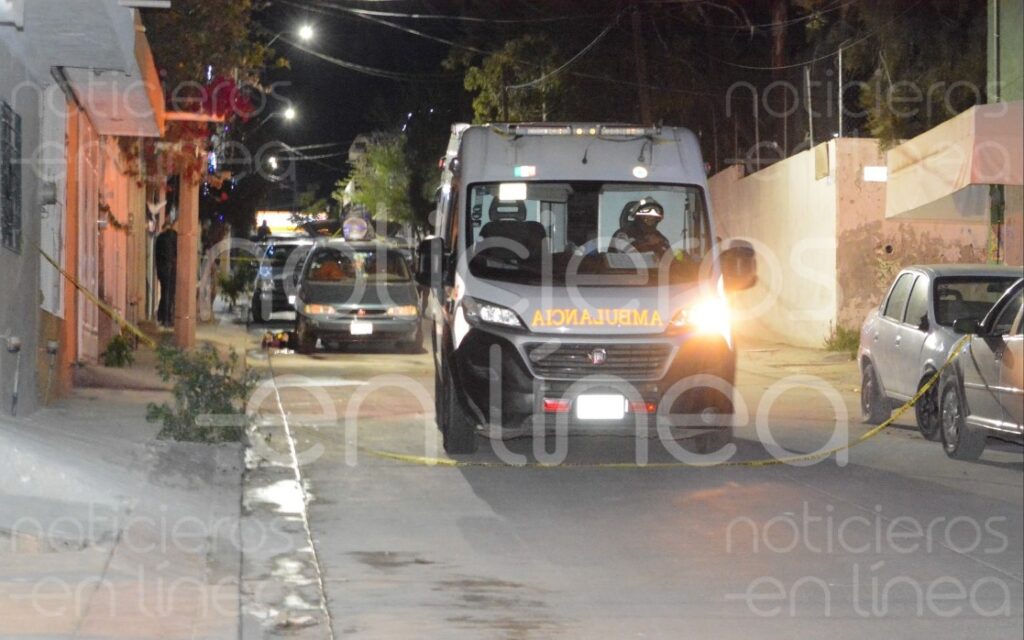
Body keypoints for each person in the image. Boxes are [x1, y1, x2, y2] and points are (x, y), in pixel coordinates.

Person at [154, 220, 178, 326]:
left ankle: (161, 316)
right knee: (169, 293)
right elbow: (177, 253)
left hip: (161, 269)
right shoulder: (174, 236)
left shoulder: (159, 238)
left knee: (164, 292)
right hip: (171, 269)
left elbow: (157, 255)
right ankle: (166, 318)